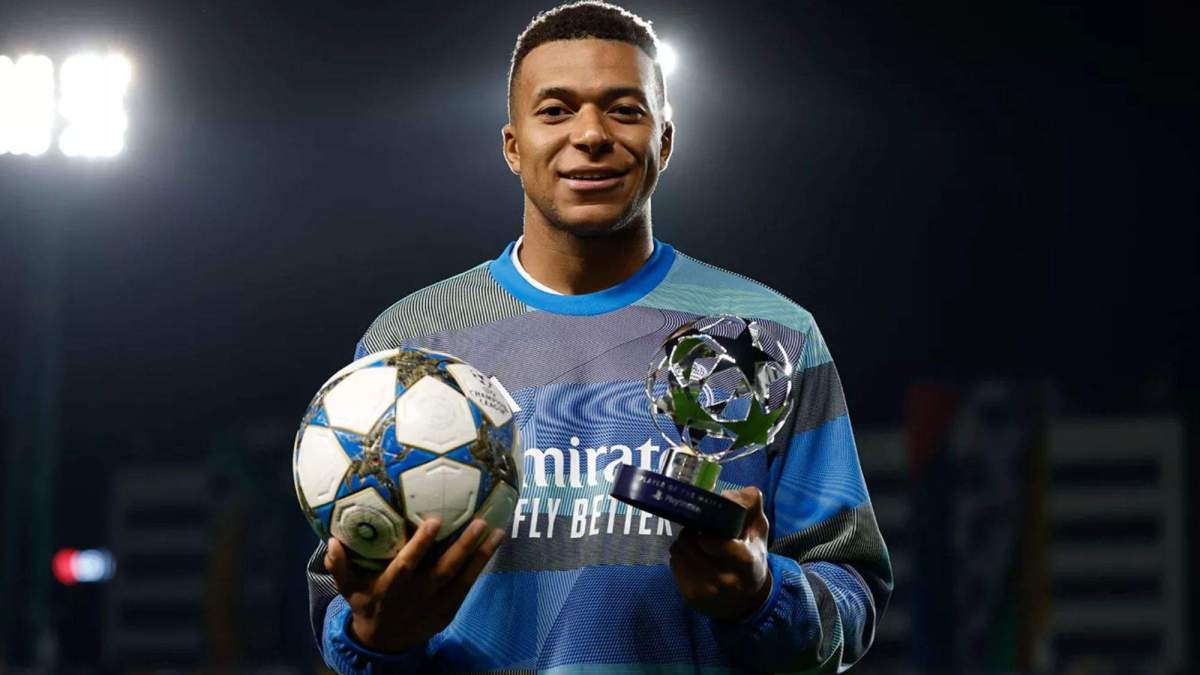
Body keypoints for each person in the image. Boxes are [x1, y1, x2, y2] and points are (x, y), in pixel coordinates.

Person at [306, 2, 892, 672]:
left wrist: (761, 596)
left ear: (664, 140)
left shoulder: (774, 334)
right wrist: (377, 638)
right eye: (556, 110)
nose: (590, 134)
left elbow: (853, 594)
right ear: (512, 145)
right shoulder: (408, 342)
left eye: (624, 109)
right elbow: (339, 598)